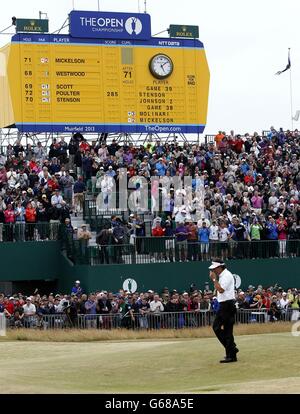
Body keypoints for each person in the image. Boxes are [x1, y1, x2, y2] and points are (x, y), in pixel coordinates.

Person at [209, 259, 239, 363]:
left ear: (220, 267)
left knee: (216, 327)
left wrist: (213, 280)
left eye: (214, 268)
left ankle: (232, 349)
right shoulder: (223, 276)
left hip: (227, 305)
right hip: (227, 304)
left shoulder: (226, 275)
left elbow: (221, 290)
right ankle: (231, 355)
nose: (213, 271)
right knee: (227, 331)